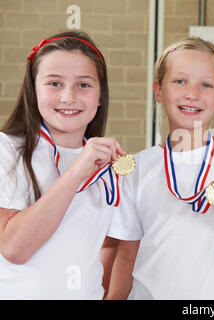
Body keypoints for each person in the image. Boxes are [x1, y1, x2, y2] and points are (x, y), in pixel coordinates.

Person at [105, 37, 214, 300]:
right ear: (158, 90)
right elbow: (126, 258)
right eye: (180, 81)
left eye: (206, 84)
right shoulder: (137, 168)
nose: (192, 93)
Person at [0, 30, 126, 299]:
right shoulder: (7, 149)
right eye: (54, 83)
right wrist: (78, 169)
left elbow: (108, 246)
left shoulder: (109, 164)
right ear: (33, 91)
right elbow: (14, 248)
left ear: (100, 95)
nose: (69, 96)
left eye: (83, 85)